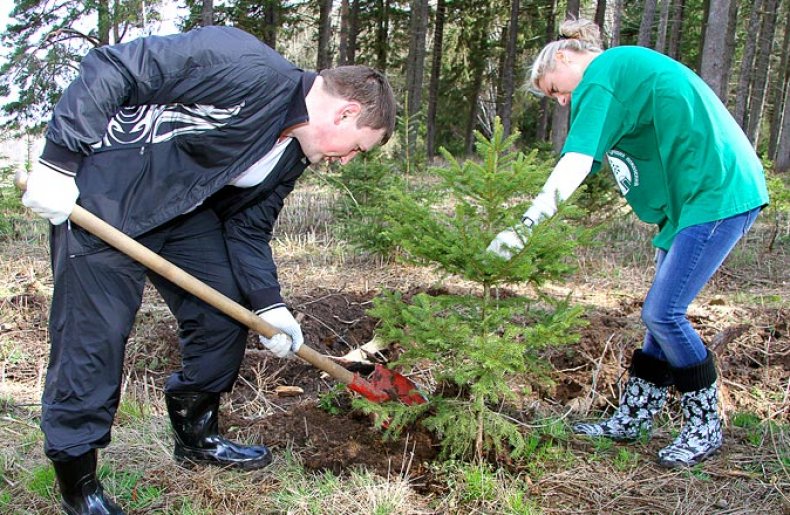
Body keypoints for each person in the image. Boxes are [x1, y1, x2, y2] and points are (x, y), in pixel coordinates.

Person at [22, 25, 396, 514]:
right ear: (346, 112)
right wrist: (58, 163)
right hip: (105, 199)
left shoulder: (291, 153)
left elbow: (246, 229)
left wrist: (271, 306)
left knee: (225, 316)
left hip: (179, 214)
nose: (346, 160)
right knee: (94, 340)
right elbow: (114, 68)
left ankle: (196, 437)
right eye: (356, 148)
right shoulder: (244, 65)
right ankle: (79, 481)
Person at [487, 19, 768, 468]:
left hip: (717, 193)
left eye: (554, 89)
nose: (561, 101)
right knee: (660, 315)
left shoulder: (606, 71)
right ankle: (635, 416)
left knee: (663, 312)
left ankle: (705, 424)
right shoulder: (622, 77)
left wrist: (523, 228)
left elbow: (576, 163)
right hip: (687, 204)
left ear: (564, 57)